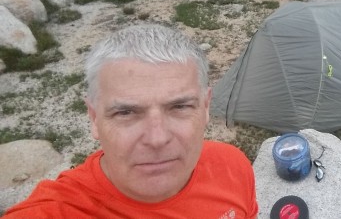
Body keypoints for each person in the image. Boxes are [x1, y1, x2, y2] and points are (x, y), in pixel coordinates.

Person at [3, 24, 259, 218]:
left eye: (180, 106)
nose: (157, 138)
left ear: (205, 108)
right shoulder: (58, 211)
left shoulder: (233, 166)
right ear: (93, 117)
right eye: (126, 113)